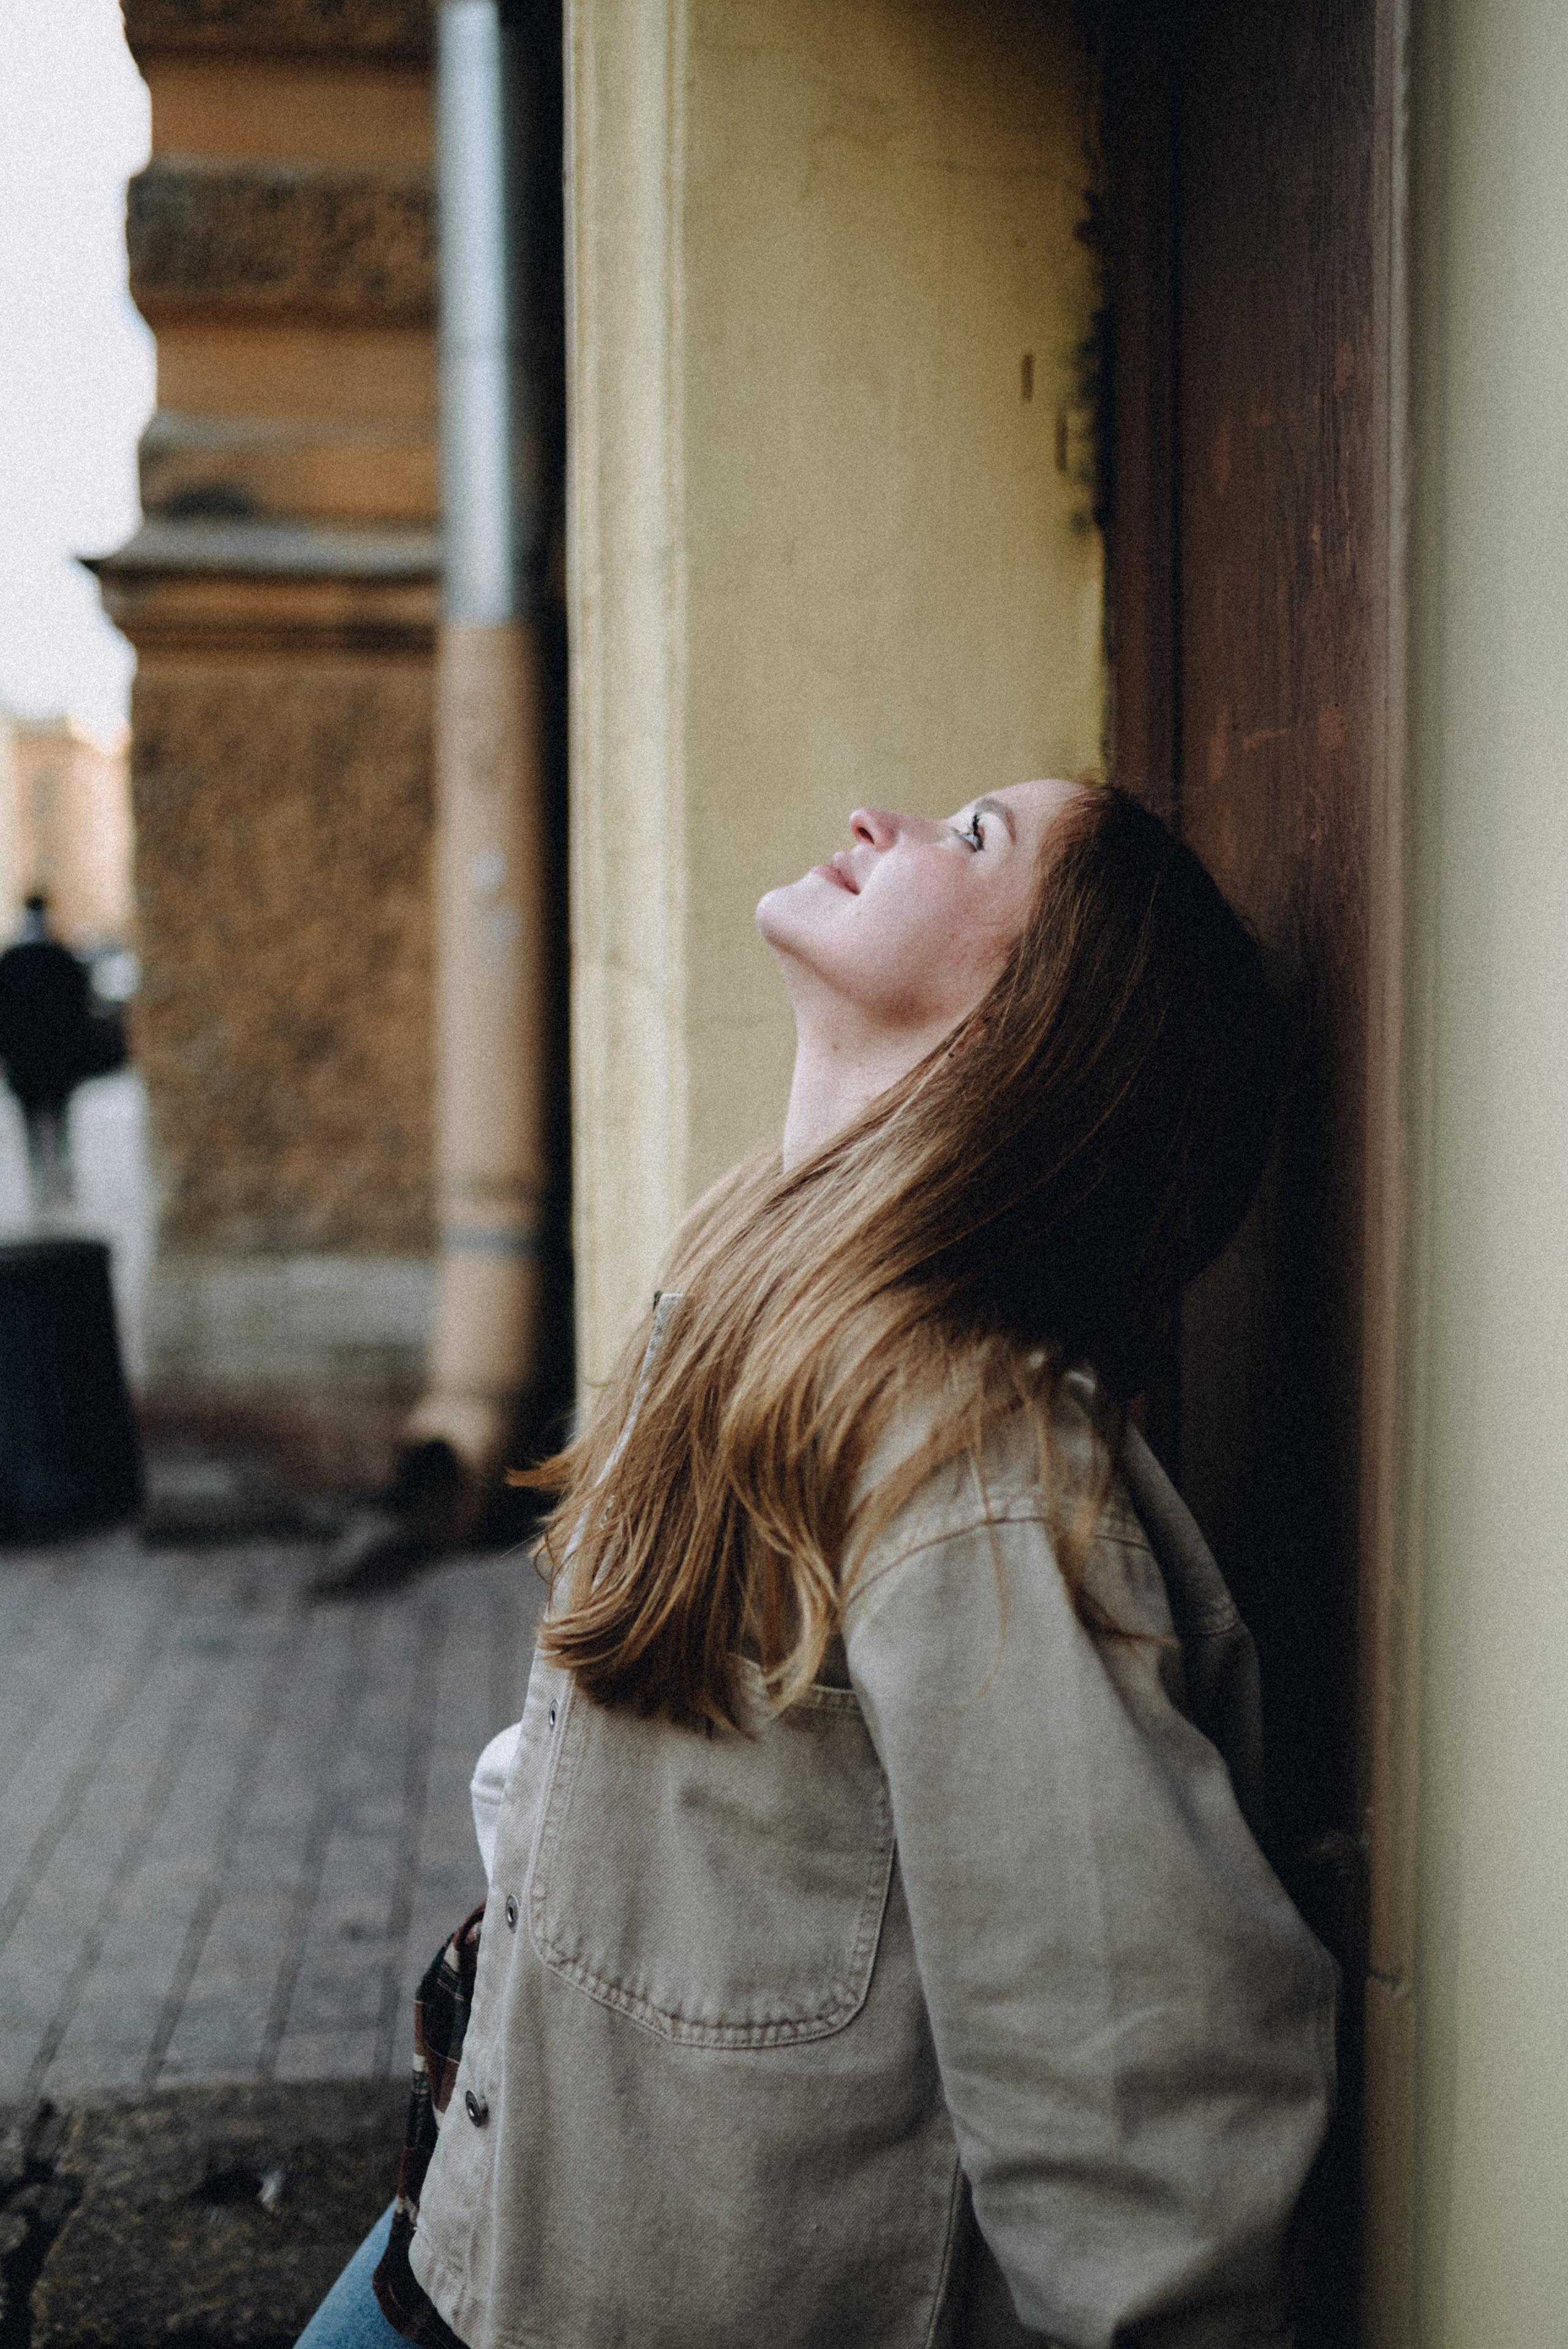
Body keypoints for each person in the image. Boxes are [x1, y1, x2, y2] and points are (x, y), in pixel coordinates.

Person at [298, 780, 1336, 2349]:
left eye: (972, 834)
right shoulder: (737, 1283)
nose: (881, 816)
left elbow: (1130, 2117)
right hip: (467, 2237)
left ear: (1027, 1024)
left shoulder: (972, 1470)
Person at [0, 894, 97, 1212]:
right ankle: (61, 1177)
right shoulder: (62, 957)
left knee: (31, 1120)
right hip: (55, 1056)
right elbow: (82, 1011)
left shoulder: (12, 960)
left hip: (26, 1058)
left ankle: (41, 1181)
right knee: (60, 1117)